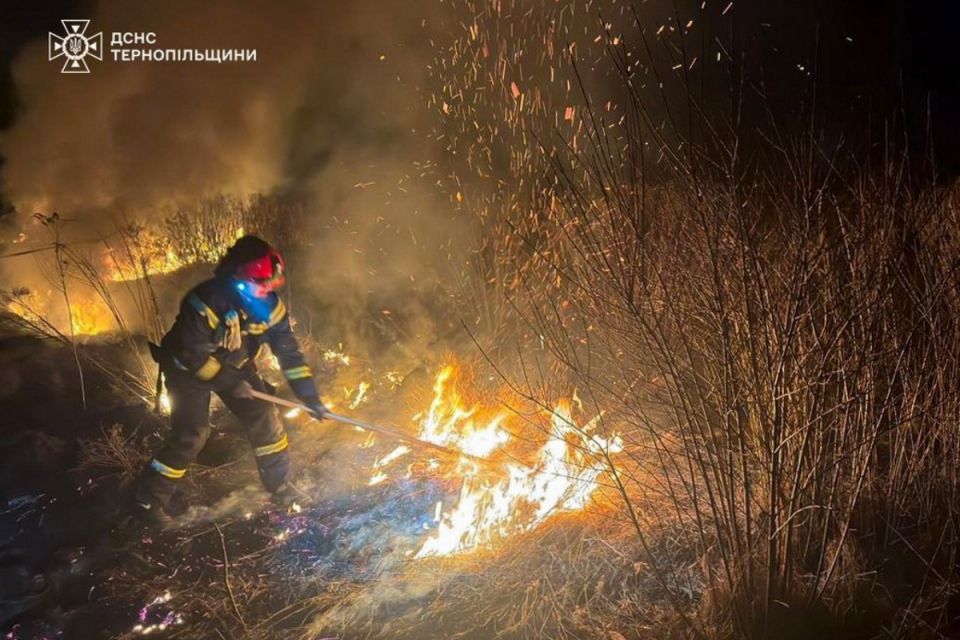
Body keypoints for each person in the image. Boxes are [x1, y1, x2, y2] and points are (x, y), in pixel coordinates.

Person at [134, 235, 327, 525]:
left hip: (235, 366)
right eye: (261, 285)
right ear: (238, 279)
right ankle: (147, 500)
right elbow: (191, 355)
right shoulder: (205, 302)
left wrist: (309, 396)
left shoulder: (270, 307)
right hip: (187, 370)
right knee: (192, 435)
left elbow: (288, 353)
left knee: (264, 415)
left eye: (272, 285)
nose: (267, 291)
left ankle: (279, 485)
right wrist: (230, 382)